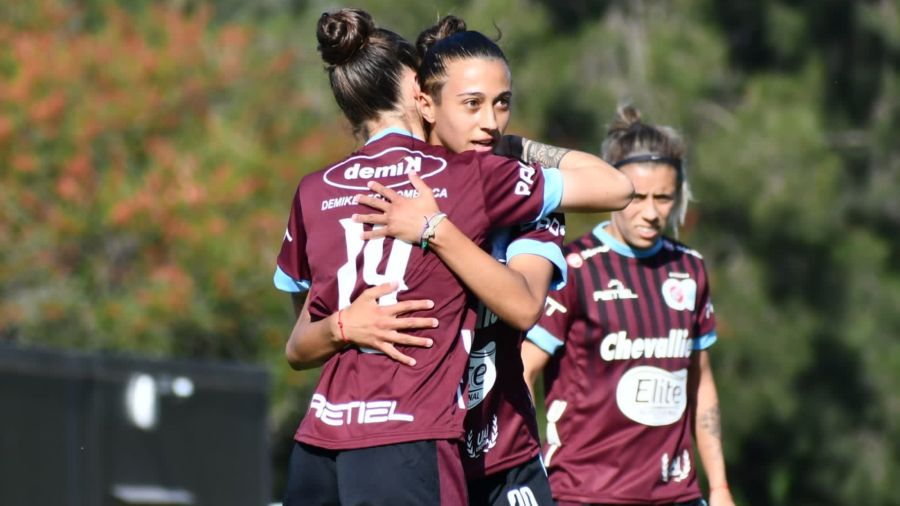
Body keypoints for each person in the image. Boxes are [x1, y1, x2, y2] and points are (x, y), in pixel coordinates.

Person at [274, 9, 632, 506]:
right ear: (424, 101)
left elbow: (526, 304)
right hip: (407, 443)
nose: (490, 122)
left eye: (502, 104)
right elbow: (301, 345)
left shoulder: (512, 191)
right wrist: (343, 325)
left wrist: (444, 219)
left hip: (496, 456)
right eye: (472, 104)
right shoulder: (458, 180)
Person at [522, 105, 736, 506]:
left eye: (664, 198)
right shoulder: (573, 268)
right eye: (638, 197)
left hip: (677, 494)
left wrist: (720, 486)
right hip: (583, 494)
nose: (652, 212)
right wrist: (521, 472)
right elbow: (523, 370)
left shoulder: (689, 269)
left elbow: (700, 380)